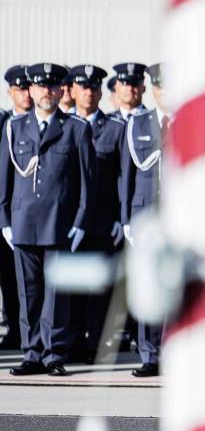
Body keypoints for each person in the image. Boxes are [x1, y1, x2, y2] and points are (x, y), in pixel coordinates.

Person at [1, 63, 95, 376]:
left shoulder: (76, 128)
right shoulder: (15, 127)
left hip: (59, 223)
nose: (46, 91)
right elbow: (4, 179)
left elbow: (87, 183)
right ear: (31, 89)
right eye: (40, 86)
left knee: (56, 295)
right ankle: (32, 353)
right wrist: (4, 220)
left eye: (53, 86)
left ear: (60, 91)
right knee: (28, 292)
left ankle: (53, 354)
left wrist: (80, 222)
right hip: (23, 222)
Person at [70, 65, 126, 363]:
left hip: (103, 222)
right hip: (69, 223)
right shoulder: (63, 126)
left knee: (99, 289)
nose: (89, 92)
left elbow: (122, 176)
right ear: (73, 90)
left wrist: (120, 217)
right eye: (83, 87)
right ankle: (71, 343)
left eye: (94, 87)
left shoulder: (115, 128)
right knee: (71, 286)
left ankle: (95, 345)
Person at [120, 63, 169, 377]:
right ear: (153, 89)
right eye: (160, 86)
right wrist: (127, 218)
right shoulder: (138, 123)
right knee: (149, 284)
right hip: (145, 215)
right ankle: (150, 355)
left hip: (179, 216)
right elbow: (127, 173)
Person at [0, 65, 32, 352]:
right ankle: (12, 327)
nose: (26, 94)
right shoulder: (3, 122)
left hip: (25, 213)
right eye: (20, 89)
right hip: (3, 211)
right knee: (6, 276)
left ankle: (24, 331)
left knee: (22, 276)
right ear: (10, 92)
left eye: (28, 88)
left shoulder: (41, 121)